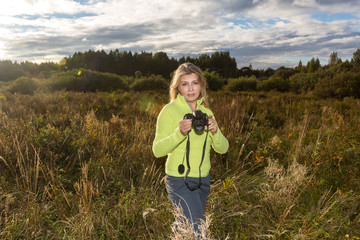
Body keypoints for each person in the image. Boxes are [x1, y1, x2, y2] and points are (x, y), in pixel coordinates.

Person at [152, 62, 229, 235]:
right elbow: (157, 150)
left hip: (203, 181)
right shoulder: (169, 111)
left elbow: (223, 149)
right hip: (179, 180)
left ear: (201, 85)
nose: (191, 88)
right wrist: (179, 132)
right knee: (197, 232)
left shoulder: (206, 112)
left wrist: (216, 132)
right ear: (178, 88)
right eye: (185, 84)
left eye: (195, 83)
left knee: (186, 230)